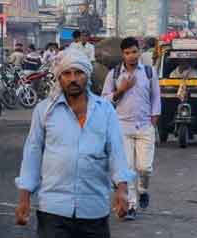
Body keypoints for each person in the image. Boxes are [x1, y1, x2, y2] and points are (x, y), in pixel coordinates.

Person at [15, 51, 132, 238]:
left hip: (94, 209)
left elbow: (116, 152)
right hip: (54, 209)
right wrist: (24, 199)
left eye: (79, 73)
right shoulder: (44, 110)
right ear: (59, 77)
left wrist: (122, 190)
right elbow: (32, 154)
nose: (73, 79)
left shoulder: (105, 110)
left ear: (87, 75)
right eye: (67, 74)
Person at [101, 37, 161, 220]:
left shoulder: (150, 73)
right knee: (128, 168)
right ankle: (132, 206)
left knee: (144, 168)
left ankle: (143, 190)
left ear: (139, 52)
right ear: (123, 54)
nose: (131, 56)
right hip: (122, 126)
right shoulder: (114, 74)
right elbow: (104, 100)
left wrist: (154, 119)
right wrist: (122, 89)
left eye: (134, 52)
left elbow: (156, 98)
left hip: (145, 126)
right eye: (127, 53)